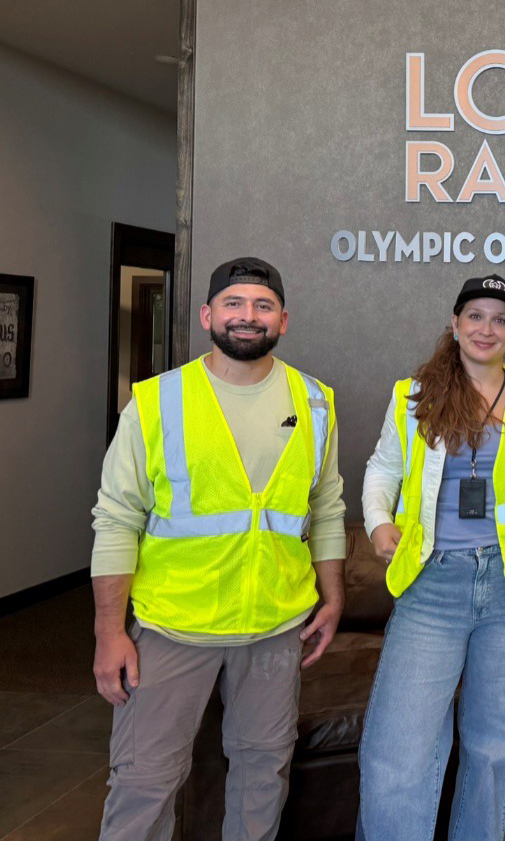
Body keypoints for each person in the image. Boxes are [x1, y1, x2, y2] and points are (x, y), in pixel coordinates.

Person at [91, 257, 346, 841]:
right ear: (208, 315)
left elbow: (326, 509)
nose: (247, 316)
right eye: (234, 304)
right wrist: (110, 631)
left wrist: (331, 598)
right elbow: (116, 520)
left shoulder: (317, 403)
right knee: (144, 782)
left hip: (276, 627)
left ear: (284, 319)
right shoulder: (156, 403)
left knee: (263, 777)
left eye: (262, 305)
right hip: (172, 626)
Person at [357, 274, 505, 841]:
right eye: (476, 316)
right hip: (434, 586)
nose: (487, 328)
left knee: (495, 749)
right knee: (398, 749)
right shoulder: (415, 395)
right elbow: (383, 470)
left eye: (500, 320)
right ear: (455, 324)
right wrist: (381, 525)